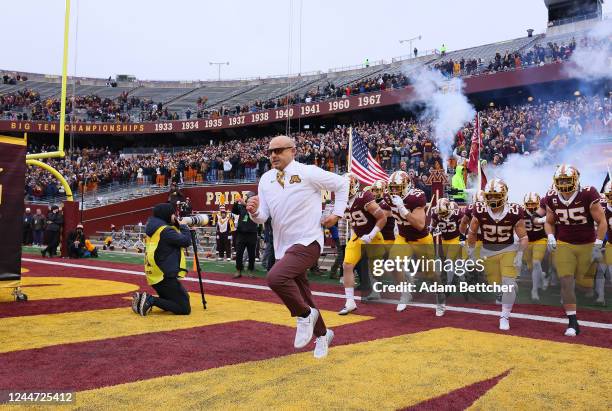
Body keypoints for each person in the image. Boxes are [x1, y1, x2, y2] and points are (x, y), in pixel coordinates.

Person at [246, 135, 348, 359]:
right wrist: (253, 212)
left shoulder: (307, 171)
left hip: (308, 241)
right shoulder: (265, 179)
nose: (274, 155)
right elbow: (264, 217)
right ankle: (323, 335)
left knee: (275, 278)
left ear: (293, 151)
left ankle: (304, 316)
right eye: (271, 151)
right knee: (304, 295)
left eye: (279, 150)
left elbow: (342, 183)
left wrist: (337, 214)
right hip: (283, 248)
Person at [542, 164, 607, 336]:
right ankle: (572, 322)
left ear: (576, 179)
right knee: (566, 281)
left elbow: (602, 221)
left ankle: (581, 292)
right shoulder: (551, 197)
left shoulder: (588, 193)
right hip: (565, 243)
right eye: (560, 180)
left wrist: (598, 244)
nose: (563, 184)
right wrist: (550, 236)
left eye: (567, 180)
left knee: (585, 287)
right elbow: (549, 221)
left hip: (587, 243)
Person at [467, 179, 528, 331]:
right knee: (496, 286)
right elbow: (472, 232)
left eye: (496, 195)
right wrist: (471, 253)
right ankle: (504, 293)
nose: (493, 199)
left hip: (508, 249)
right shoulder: (479, 209)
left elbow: (524, 237)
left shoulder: (514, 210)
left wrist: (519, 255)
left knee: (509, 284)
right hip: (488, 251)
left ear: (505, 195)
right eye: (490, 196)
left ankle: (504, 316)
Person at [134, 203, 192, 316]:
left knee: (182, 298)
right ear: (167, 214)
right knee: (184, 308)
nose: (174, 216)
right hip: (165, 275)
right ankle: (150, 300)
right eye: (173, 214)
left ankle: (142, 299)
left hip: (155, 274)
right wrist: (184, 226)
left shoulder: (154, 228)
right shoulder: (165, 231)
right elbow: (186, 241)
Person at [232, 192, 259, 278]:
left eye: (247, 197)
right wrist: (236, 202)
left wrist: (245, 204)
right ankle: (239, 270)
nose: (246, 198)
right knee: (239, 253)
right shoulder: (241, 207)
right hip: (241, 234)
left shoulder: (256, 207)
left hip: (252, 233)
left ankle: (250, 270)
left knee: (251, 254)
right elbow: (234, 211)